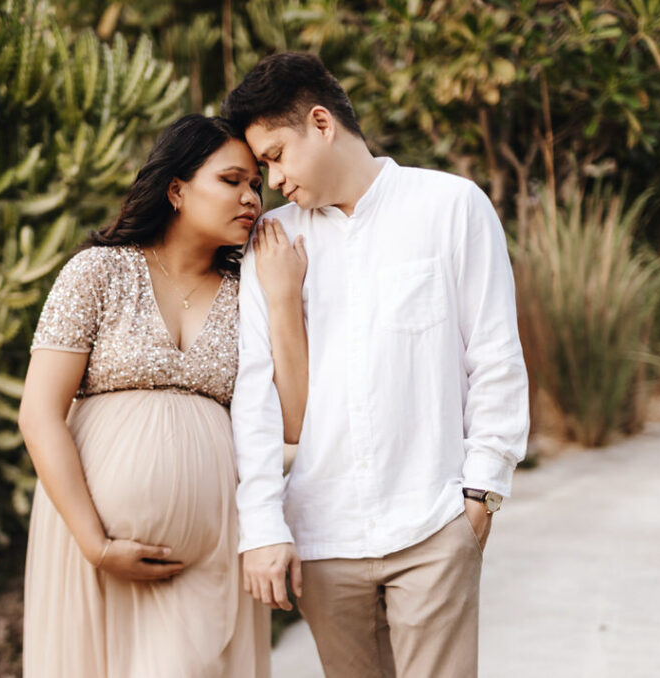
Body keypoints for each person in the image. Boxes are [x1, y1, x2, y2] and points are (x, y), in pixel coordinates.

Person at [223, 53, 530, 678]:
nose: (273, 180)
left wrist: (481, 493)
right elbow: (253, 395)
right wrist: (261, 525)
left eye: (277, 155)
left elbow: (494, 355)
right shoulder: (271, 242)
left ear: (321, 122)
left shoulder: (452, 206)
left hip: (433, 523)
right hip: (324, 535)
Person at [17, 114, 308, 677]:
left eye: (255, 184)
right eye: (232, 181)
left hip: (212, 553)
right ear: (176, 189)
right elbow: (39, 415)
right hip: (93, 547)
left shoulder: (250, 289)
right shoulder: (97, 273)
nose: (251, 197)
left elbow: (293, 422)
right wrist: (95, 543)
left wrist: (282, 301)